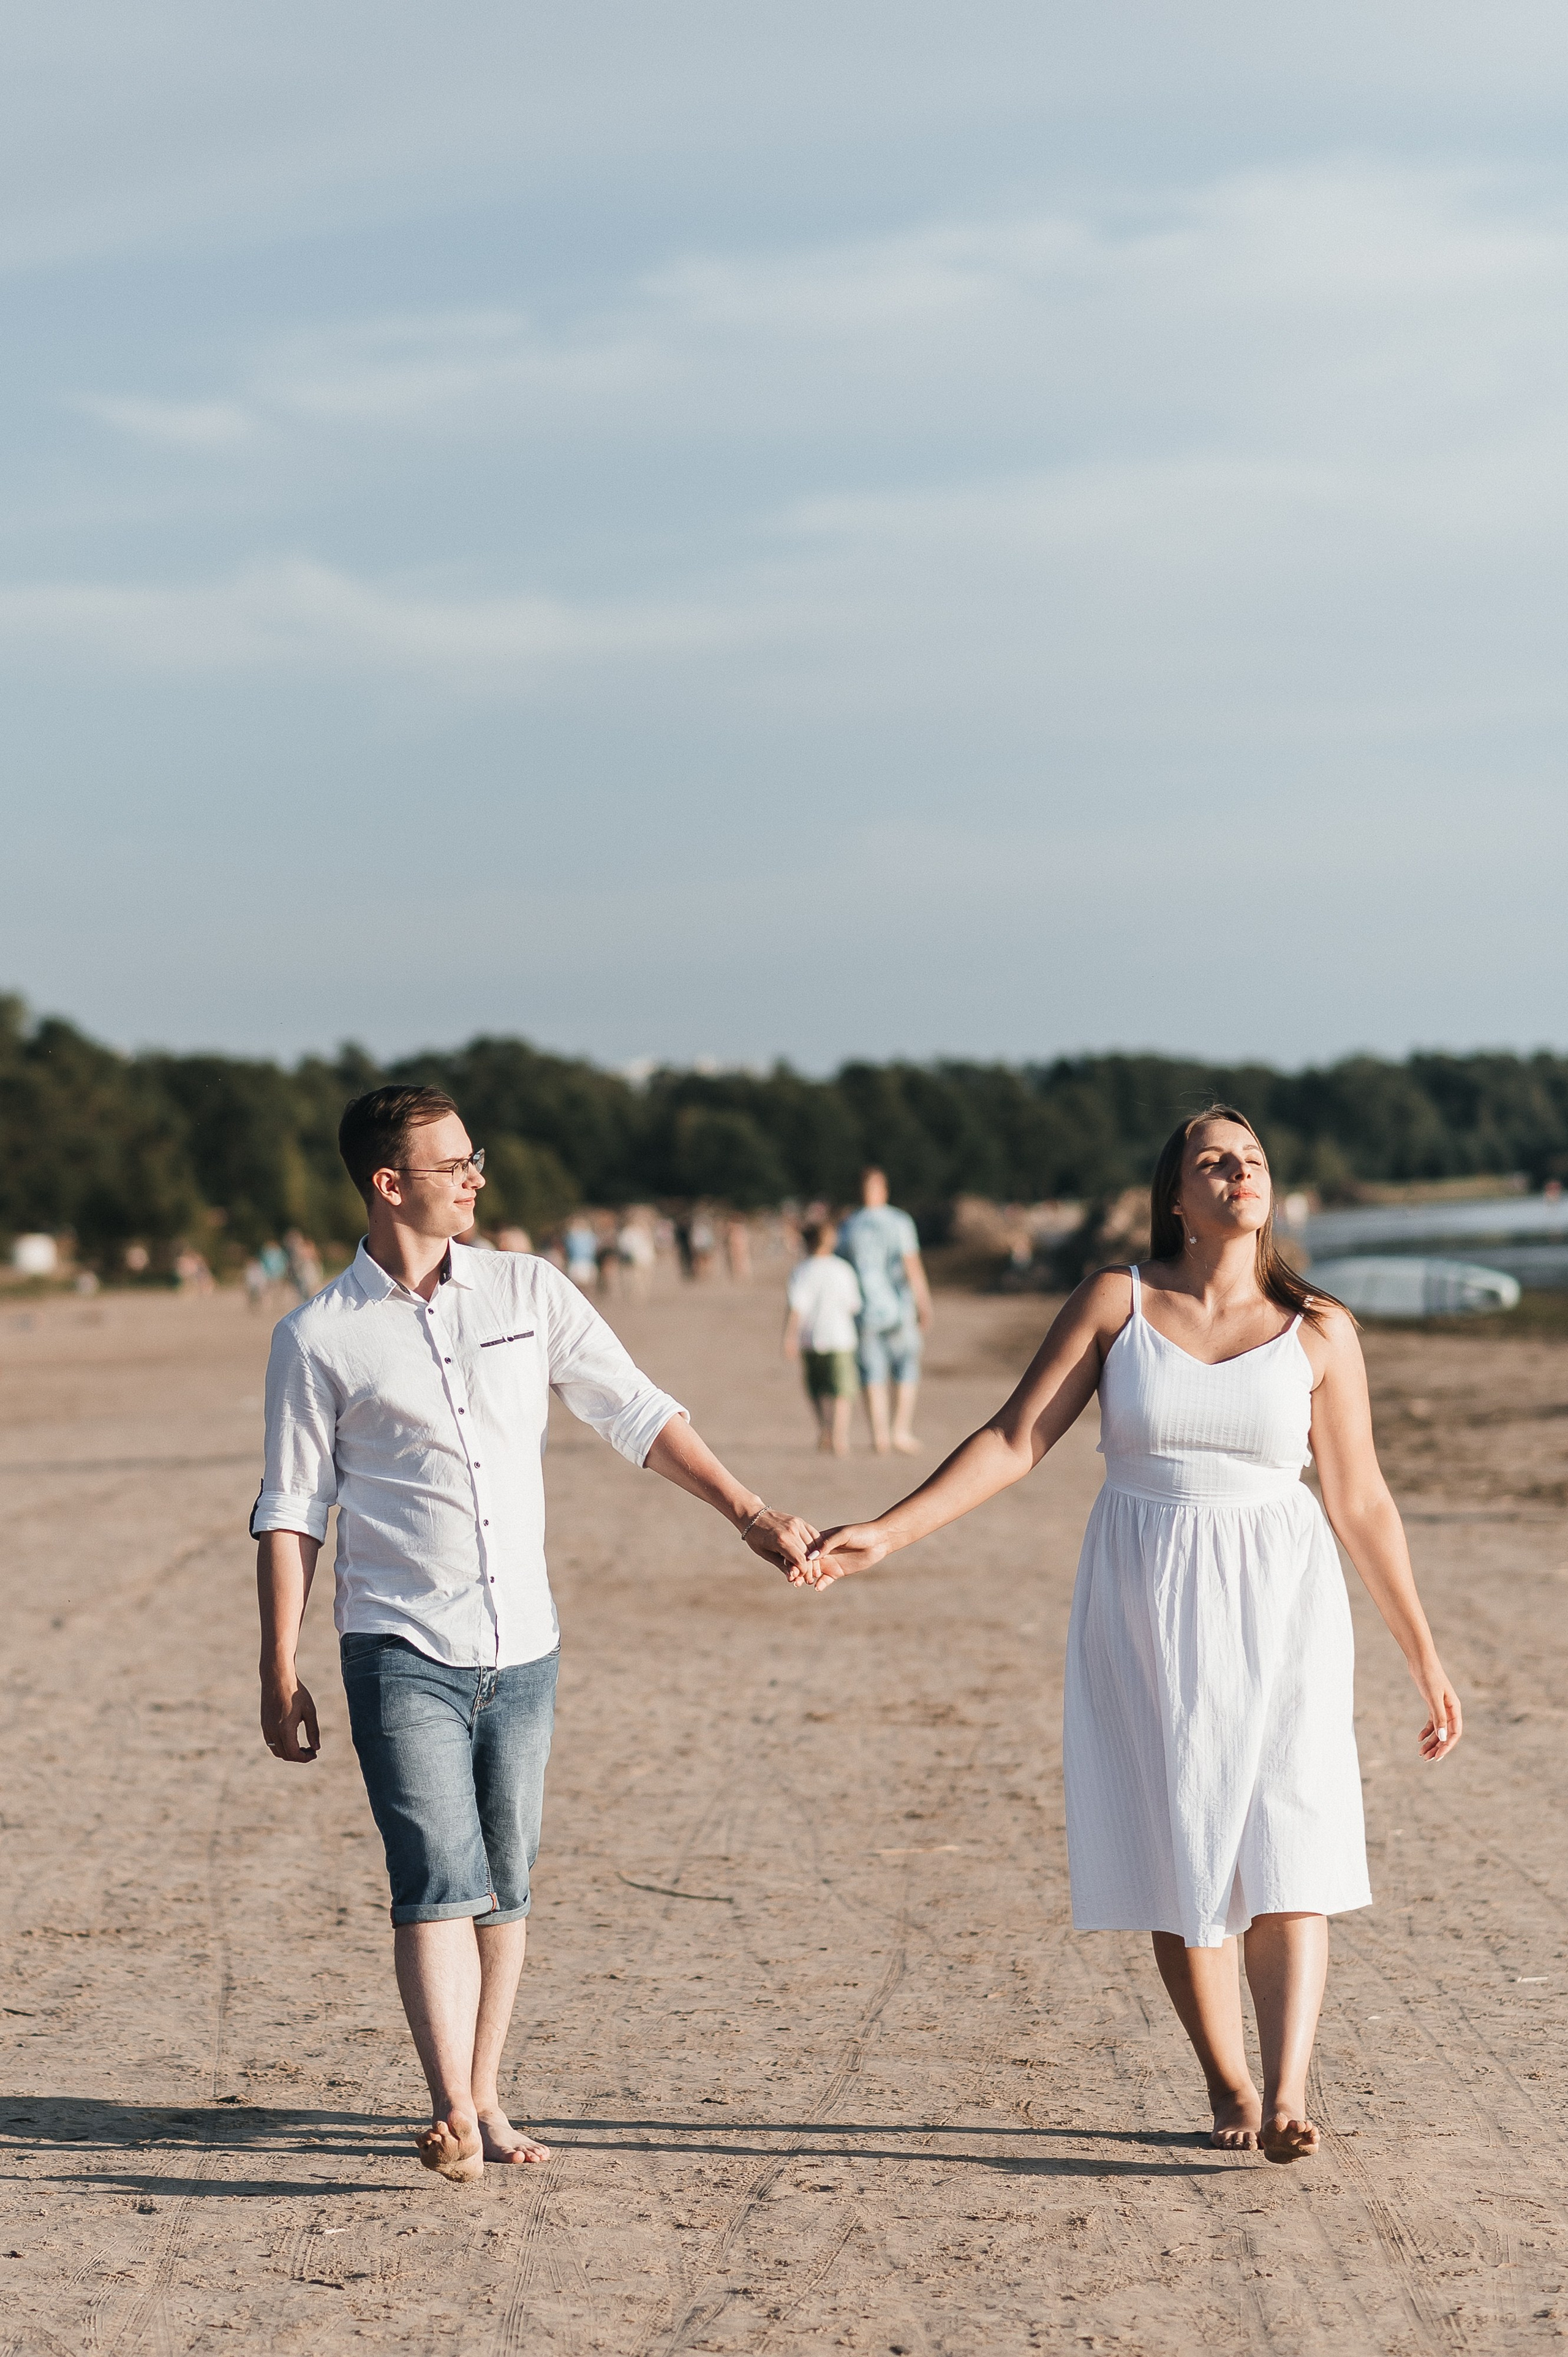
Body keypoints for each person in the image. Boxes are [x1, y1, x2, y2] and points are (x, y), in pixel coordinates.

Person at [801, 1107, 1461, 2165]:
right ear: (1176, 1193)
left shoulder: (1320, 1327)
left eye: (1252, 1159)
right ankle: (1229, 2077)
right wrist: (890, 1527)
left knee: (1290, 1831)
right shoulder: (1119, 1301)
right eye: (1214, 1160)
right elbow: (1017, 1438)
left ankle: (1290, 2087)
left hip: (1284, 1593)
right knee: (1181, 1837)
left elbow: (1363, 1499)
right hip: (1147, 1592)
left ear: (1268, 1189)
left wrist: (1423, 1655)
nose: (1238, 1172)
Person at [251, 1085, 818, 2185]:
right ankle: (452, 2109)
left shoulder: (527, 1288)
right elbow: (291, 1507)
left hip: (524, 1646)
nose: (476, 1176)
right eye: (455, 1161)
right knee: (436, 1876)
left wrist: (751, 1514)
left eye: (475, 1156)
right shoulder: (317, 1335)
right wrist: (278, 1662)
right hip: (396, 1644)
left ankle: (489, 2089)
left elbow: (637, 1410)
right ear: (390, 1181)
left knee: (504, 1883)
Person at [837, 1167, 932, 1454]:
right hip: (899, 1308)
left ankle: (879, 1436)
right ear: (884, 1190)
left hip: (863, 1309)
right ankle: (900, 1431)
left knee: (872, 1373)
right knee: (905, 1368)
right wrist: (924, 1302)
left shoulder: (849, 1225)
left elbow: (843, 1270)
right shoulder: (899, 1221)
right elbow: (911, 1265)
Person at [783, 1220, 863, 1455]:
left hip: (811, 1339)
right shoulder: (844, 1270)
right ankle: (839, 1435)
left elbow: (796, 1309)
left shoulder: (802, 1271)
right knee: (841, 1390)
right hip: (841, 1338)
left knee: (817, 1389)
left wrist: (790, 1338)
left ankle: (825, 1430)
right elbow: (854, 1305)